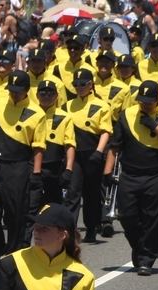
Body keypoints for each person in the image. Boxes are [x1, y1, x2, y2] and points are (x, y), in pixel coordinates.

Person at [105, 80, 158, 276]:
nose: (145, 104)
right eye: (142, 101)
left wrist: (155, 127)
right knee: (126, 216)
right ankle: (139, 247)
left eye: (149, 101)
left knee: (152, 219)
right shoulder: (127, 115)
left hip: (155, 176)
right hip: (130, 175)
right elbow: (115, 146)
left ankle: (146, 260)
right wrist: (107, 172)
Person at [0, 70, 46, 264]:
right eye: (11, 90)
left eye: (18, 91)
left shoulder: (37, 113)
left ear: (26, 90)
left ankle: (13, 250)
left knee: (15, 212)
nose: (14, 94)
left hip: (19, 167)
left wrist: (36, 173)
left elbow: (38, 146)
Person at [63, 68, 112, 243]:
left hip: (92, 152)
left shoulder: (101, 105)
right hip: (74, 154)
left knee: (92, 194)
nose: (79, 87)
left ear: (90, 85)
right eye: (76, 84)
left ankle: (92, 228)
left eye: (82, 84)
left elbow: (106, 130)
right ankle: (69, 230)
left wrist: (99, 152)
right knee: (72, 192)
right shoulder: (68, 105)